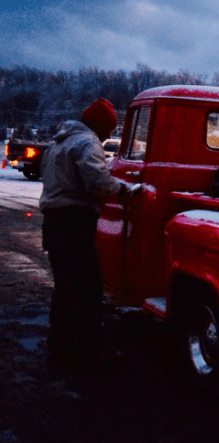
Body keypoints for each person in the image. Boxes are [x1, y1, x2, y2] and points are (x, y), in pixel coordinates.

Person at [40, 98, 130, 370]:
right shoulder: (87, 143)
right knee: (88, 289)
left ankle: (60, 348)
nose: (109, 136)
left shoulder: (59, 142)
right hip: (74, 222)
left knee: (65, 288)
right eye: (109, 129)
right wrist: (124, 189)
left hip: (53, 222)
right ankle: (91, 353)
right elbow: (97, 182)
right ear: (99, 125)